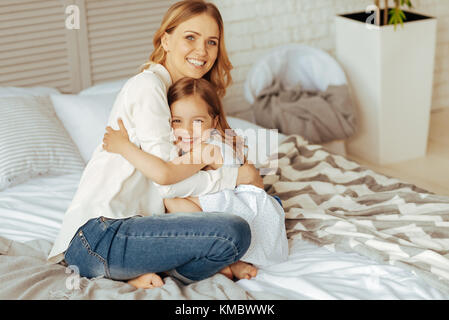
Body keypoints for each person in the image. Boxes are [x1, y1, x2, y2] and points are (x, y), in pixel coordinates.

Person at [47, 0, 264, 289]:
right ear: (166, 39)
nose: (202, 51)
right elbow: (168, 182)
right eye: (190, 37)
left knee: (237, 227)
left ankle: (141, 274)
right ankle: (147, 271)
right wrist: (233, 177)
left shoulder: (182, 99)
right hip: (99, 235)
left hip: (132, 232)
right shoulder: (148, 87)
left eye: (211, 42)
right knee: (232, 232)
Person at [103, 77, 289, 288]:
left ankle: (228, 259)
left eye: (198, 121)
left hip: (250, 229)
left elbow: (166, 175)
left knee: (171, 199)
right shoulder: (216, 145)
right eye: (177, 121)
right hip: (263, 229)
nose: (188, 131)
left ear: (214, 122)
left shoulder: (209, 148)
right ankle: (229, 261)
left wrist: (124, 147)